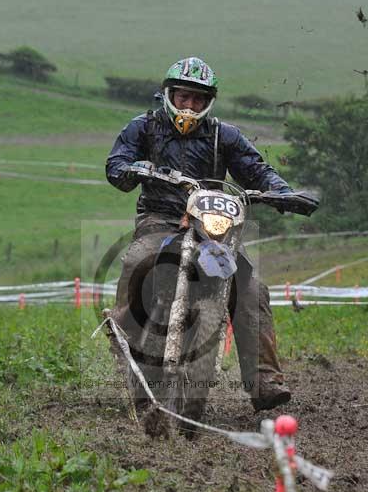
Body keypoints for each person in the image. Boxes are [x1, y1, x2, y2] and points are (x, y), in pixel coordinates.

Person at [105, 57, 294, 411]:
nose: (189, 105)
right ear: (169, 95)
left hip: (210, 226)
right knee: (136, 259)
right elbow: (116, 165)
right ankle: (124, 333)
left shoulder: (225, 135)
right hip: (159, 218)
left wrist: (281, 191)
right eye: (183, 97)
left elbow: (257, 170)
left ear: (208, 102)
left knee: (252, 287)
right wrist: (136, 168)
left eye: (197, 99)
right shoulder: (144, 127)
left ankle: (265, 379)